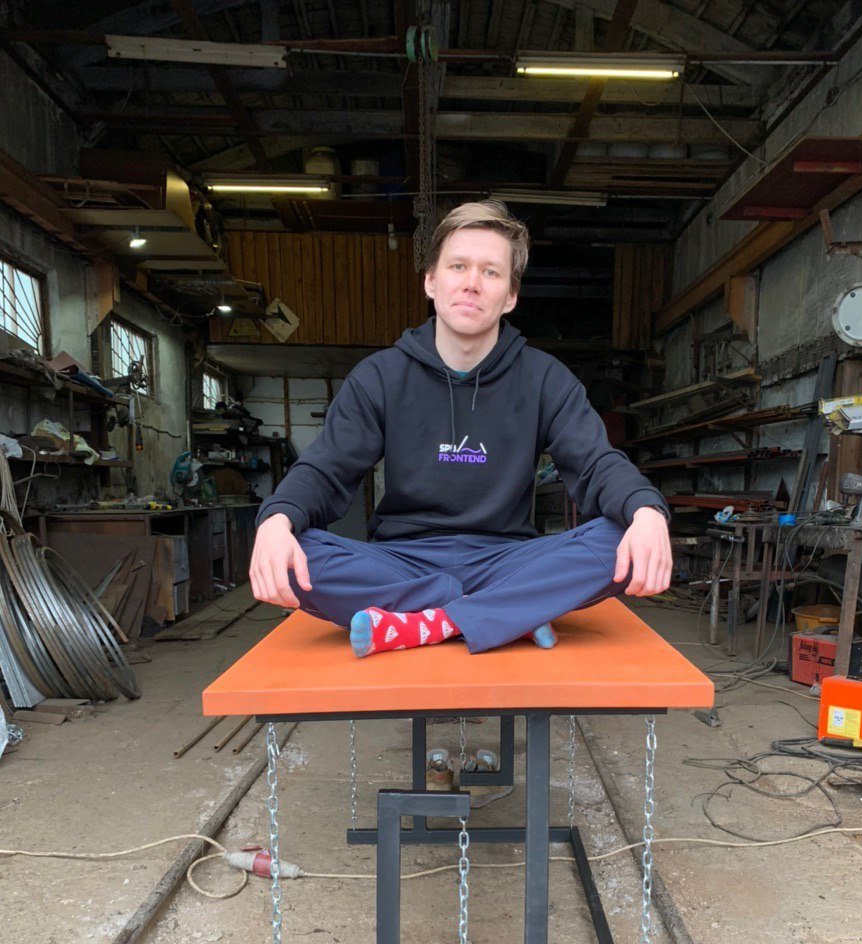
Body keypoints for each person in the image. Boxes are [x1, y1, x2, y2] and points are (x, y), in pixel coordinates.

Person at [250, 200, 672, 657]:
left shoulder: (545, 378)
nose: (472, 283)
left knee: (623, 540)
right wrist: (277, 519)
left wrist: (646, 511)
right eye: (458, 266)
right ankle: (508, 614)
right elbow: (325, 467)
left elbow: (596, 462)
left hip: (508, 560)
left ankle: (430, 622)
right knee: (290, 552)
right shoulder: (380, 376)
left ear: (510, 296)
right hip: (402, 560)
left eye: (491, 272)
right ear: (431, 281)